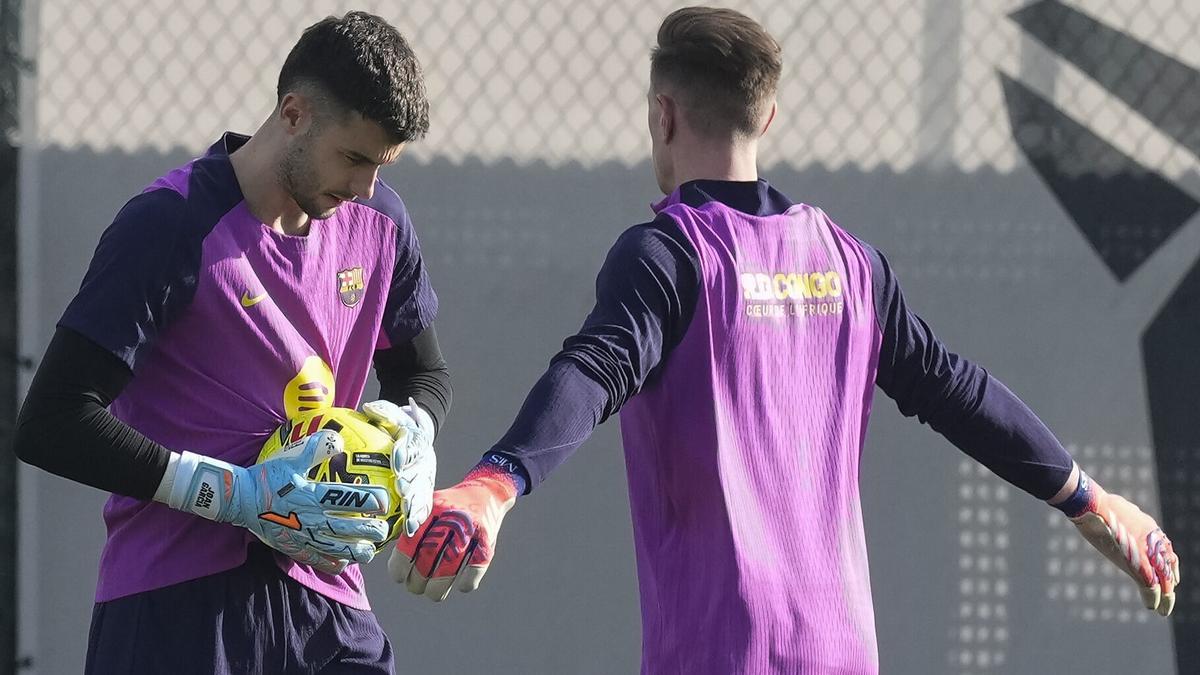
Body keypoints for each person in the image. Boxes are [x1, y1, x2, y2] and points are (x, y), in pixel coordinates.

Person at [390, 6, 1181, 674]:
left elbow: (595, 369)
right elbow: (956, 388)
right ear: (766, 116)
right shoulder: (849, 264)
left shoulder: (671, 254)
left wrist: (495, 484)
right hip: (843, 648)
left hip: (718, 651)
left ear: (662, 114)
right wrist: (1089, 496)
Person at [14, 11, 447, 674]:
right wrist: (235, 492)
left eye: (381, 166)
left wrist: (411, 439)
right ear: (294, 114)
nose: (365, 186)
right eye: (354, 158)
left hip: (329, 604)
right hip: (174, 607)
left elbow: (424, 376)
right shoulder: (169, 223)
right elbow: (53, 419)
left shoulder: (381, 224)